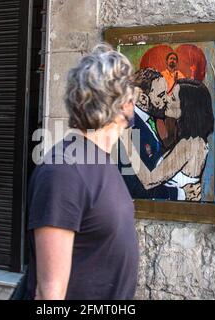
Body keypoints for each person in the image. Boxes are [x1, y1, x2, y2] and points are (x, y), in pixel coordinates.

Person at [23, 43, 140, 300]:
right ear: (122, 105)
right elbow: (49, 294)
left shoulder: (97, 160)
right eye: (131, 94)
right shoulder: (63, 171)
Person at [123, 78, 214, 201]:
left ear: (186, 107)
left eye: (173, 98)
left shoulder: (189, 145)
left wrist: (127, 142)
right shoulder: (195, 141)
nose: (167, 100)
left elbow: (149, 181)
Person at [119, 67, 178, 200]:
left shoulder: (147, 121)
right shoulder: (130, 129)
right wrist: (177, 193)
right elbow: (134, 188)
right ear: (144, 99)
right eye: (161, 95)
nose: (167, 100)